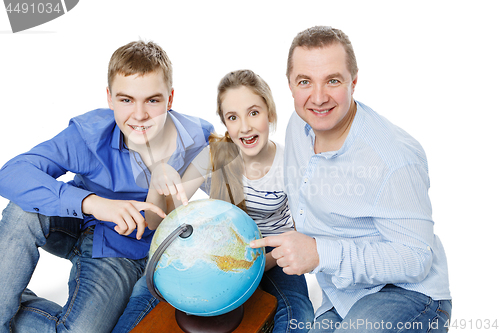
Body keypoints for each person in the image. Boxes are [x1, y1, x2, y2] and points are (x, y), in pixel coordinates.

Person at [0, 40, 213, 333]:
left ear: (170, 98)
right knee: (22, 211)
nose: (139, 115)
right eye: (126, 100)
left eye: (152, 100)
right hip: (75, 222)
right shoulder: (88, 134)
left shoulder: (198, 139)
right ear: (110, 98)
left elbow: (239, 200)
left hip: (121, 251)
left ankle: (11, 299)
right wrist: (94, 203)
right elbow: (12, 173)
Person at [250, 26, 452, 332]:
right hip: (343, 295)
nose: (318, 98)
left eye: (333, 80)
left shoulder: (393, 158)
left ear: (353, 82)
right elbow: (304, 211)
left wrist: (319, 253)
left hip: (409, 295)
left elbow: (415, 259)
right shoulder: (298, 126)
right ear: (290, 85)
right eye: (305, 82)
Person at [112, 69, 314, 332]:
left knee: (299, 314)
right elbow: (156, 221)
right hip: (217, 254)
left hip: (275, 257)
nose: (244, 127)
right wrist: (157, 180)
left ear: (270, 113)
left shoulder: (292, 164)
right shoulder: (214, 155)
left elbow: (304, 234)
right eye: (233, 117)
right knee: (143, 296)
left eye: (254, 112)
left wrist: (254, 267)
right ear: (225, 123)